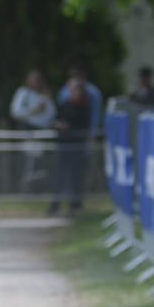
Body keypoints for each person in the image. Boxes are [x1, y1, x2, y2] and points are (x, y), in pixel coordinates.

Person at [49, 77, 92, 216]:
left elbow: (82, 124)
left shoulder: (85, 106)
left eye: (75, 89)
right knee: (59, 177)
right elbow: (54, 120)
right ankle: (55, 205)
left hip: (77, 146)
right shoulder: (63, 105)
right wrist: (58, 125)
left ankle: (75, 205)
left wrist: (69, 126)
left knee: (76, 177)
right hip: (63, 146)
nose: (73, 92)